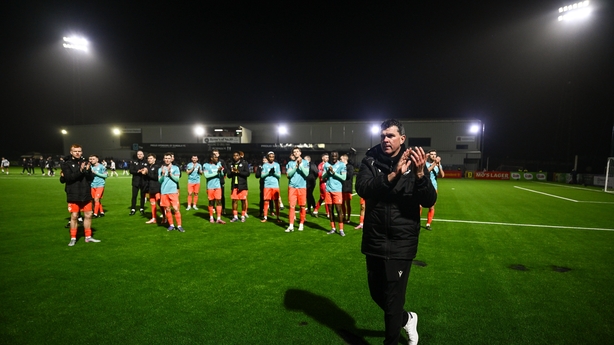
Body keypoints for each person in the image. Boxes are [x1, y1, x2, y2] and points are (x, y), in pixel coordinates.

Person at [356, 119, 437, 345]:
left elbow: (429, 199)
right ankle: (407, 318)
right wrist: (393, 176)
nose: (385, 140)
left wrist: (420, 176)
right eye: (383, 136)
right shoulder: (371, 160)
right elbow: (362, 188)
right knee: (376, 293)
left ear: (402, 139)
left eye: (390, 136)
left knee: (392, 301)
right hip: (375, 238)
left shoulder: (416, 163)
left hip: (402, 242)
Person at [62, 144, 101, 246]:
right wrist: (80, 171)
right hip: (73, 193)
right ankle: (73, 238)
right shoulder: (66, 164)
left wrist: (88, 171)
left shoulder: (85, 162)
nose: (77, 153)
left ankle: (88, 237)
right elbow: (69, 178)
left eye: (79, 151)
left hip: (85, 193)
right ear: (71, 152)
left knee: (88, 215)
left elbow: (91, 178)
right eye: (75, 151)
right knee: (74, 216)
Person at [285, 147, 310, 232]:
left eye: (297, 151)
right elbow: (288, 175)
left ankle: (301, 224)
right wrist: (296, 166)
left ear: (300, 153)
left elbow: (306, 173)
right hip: (292, 187)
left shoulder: (306, 162)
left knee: (302, 206)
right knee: (292, 206)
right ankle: (291, 225)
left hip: (302, 187)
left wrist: (300, 165)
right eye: (294, 152)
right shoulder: (290, 163)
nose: (296, 153)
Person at [323, 151, 347, 236]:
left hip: (337, 190)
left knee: (338, 210)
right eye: (332, 156)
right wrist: (328, 172)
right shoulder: (326, 165)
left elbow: (343, 177)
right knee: (330, 210)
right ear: (330, 156)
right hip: (328, 190)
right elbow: (323, 177)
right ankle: (333, 228)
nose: (333, 158)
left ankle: (341, 229)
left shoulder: (342, 165)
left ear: (337, 157)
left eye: (335, 156)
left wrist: (334, 173)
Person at [159, 152, 184, 232]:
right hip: (164, 191)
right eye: (165, 158)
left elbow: (177, 179)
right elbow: (160, 181)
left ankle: (179, 226)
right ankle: (171, 225)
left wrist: (170, 174)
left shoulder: (176, 168)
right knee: (168, 209)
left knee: (176, 209)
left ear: (171, 159)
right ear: (163, 159)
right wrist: (163, 174)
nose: (167, 160)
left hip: (173, 191)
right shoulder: (161, 169)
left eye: (168, 158)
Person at [423, 149, 444, 230]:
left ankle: (428, 224)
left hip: (434, 188)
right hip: (424, 187)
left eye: (435, 154)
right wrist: (435, 163)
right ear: (429, 155)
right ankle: (416, 221)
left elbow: (442, 175)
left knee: (431, 207)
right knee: (419, 206)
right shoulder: (425, 163)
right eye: (431, 154)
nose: (433, 156)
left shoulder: (438, 165)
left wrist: (439, 165)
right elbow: (426, 172)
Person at [227, 151, 250, 222]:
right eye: (234, 155)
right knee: (234, 201)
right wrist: (232, 172)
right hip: (234, 185)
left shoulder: (244, 163)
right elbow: (228, 176)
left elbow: (247, 173)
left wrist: (238, 172)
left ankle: (243, 215)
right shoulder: (230, 164)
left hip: (243, 185)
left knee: (243, 201)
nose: (235, 157)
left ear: (239, 156)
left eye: (237, 155)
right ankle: (235, 216)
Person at [204, 152, 226, 224]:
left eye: (217, 157)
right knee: (211, 202)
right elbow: (207, 175)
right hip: (210, 187)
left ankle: (219, 218)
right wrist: (217, 172)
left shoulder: (219, 164)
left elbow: (221, 175)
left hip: (218, 186)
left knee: (219, 201)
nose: (217, 158)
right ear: (211, 158)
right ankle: (211, 217)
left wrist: (221, 171)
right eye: (215, 157)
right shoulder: (206, 165)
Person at [261, 151, 281, 223]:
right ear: (267, 157)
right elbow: (262, 176)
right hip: (267, 185)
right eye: (270, 157)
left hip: (275, 185)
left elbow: (279, 176)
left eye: (273, 157)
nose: (271, 158)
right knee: (266, 201)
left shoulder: (277, 165)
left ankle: (278, 217)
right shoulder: (265, 165)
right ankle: (265, 217)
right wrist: (268, 173)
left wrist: (274, 173)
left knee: (276, 202)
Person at [129, 150, 149, 216]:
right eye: (138, 154)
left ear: (143, 155)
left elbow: (148, 170)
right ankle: (133, 209)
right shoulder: (134, 162)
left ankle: (142, 208)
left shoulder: (146, 162)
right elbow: (131, 170)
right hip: (136, 182)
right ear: (137, 155)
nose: (139, 155)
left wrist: (145, 171)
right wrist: (138, 171)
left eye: (141, 154)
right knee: (134, 196)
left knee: (142, 196)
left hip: (144, 182)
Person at [145, 153, 162, 224]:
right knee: (152, 203)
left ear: (154, 159)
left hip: (157, 188)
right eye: (148, 158)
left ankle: (165, 217)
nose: (149, 160)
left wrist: (147, 173)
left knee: (160, 203)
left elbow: (156, 177)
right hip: (150, 188)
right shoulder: (148, 166)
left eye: (151, 158)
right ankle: (154, 218)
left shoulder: (157, 167)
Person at [312, 153, 330, 218]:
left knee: (322, 198)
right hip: (323, 183)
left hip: (328, 183)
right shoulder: (320, 165)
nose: (327, 158)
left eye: (328, 157)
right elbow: (320, 175)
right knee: (327, 198)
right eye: (326, 157)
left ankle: (315, 210)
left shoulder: (328, 164)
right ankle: (328, 213)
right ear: (322, 158)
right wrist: (326, 177)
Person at [212, 150, 227, 215]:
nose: (215, 155)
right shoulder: (210, 162)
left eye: (216, 153)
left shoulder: (222, 161)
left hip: (220, 181)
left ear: (219, 154)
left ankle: (223, 209)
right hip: (212, 181)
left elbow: (225, 169)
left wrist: (222, 172)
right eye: (214, 154)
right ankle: (213, 208)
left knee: (221, 196)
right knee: (213, 196)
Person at [341, 154, 354, 224]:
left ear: (345, 159)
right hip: (341, 188)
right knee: (342, 203)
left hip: (347, 188)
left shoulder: (350, 167)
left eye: (341, 159)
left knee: (348, 204)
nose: (340, 160)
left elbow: (349, 176)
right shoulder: (341, 166)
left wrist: (343, 169)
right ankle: (343, 216)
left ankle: (348, 217)